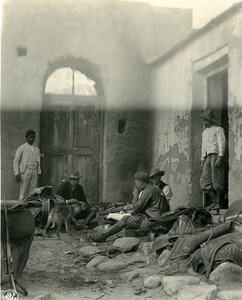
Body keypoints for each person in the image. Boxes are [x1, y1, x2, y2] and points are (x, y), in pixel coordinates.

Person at [89, 171, 170, 242]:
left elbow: (136, 209)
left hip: (154, 223)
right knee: (134, 218)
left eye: (137, 183)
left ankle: (103, 236)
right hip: (162, 221)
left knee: (125, 219)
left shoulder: (148, 191)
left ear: (141, 182)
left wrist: (135, 195)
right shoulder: (155, 189)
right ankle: (141, 232)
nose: (136, 186)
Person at [199, 110, 226, 210]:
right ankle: (214, 201)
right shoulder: (204, 132)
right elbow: (203, 147)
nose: (204, 122)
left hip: (215, 155)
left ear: (209, 120)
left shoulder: (218, 129)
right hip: (207, 157)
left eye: (205, 120)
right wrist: (202, 159)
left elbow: (221, 143)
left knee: (217, 180)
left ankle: (219, 202)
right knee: (204, 182)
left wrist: (220, 156)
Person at [13, 130, 41, 201]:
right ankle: (20, 208)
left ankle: (29, 209)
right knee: (23, 192)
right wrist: (17, 173)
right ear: (26, 138)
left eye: (33, 137)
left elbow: (38, 160)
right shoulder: (22, 148)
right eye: (30, 137)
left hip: (34, 171)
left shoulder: (37, 149)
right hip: (25, 172)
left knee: (32, 193)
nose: (31, 139)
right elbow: (16, 161)